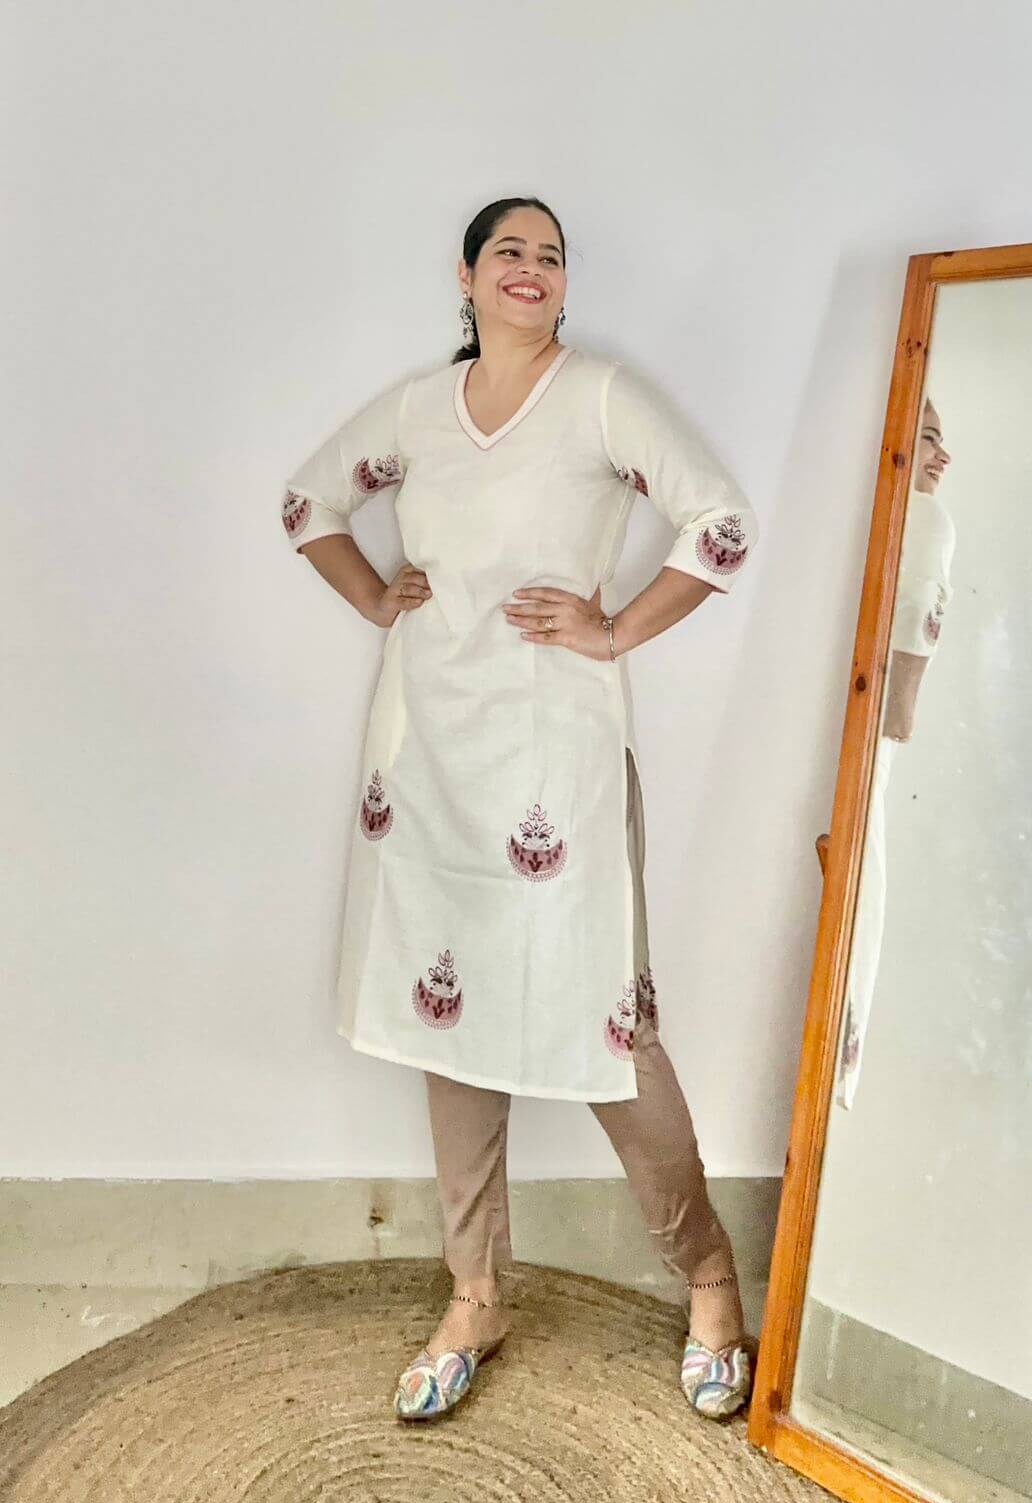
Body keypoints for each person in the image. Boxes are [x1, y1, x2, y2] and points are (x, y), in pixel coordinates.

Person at [279, 197, 760, 1421]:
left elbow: (720, 524)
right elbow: (306, 505)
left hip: (558, 752)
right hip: (428, 753)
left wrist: (616, 627)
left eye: (551, 256)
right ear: (467, 275)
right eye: (510, 251)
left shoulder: (601, 397)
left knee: (608, 1025)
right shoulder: (415, 410)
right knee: (448, 1025)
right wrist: (374, 597)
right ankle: (475, 1293)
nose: (532, 270)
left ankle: (708, 1273)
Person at [835, 399, 954, 1110]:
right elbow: (919, 621)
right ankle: (841, 1065)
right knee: (864, 878)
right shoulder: (927, 518)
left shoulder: (881, 513)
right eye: (930, 438)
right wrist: (899, 717)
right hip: (871, 722)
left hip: (850, 704)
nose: (944, 457)